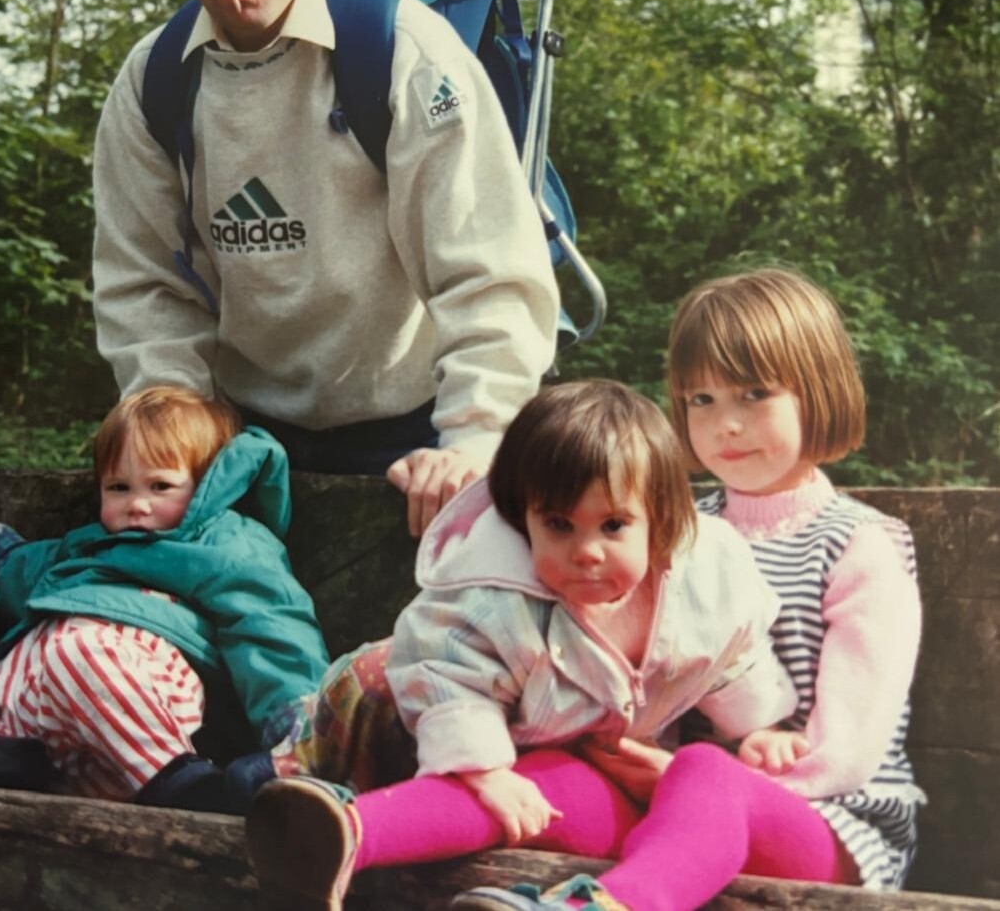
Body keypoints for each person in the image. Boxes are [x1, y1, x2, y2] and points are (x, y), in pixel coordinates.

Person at [91, 0, 559, 537]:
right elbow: (143, 285)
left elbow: (490, 268)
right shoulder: (154, 77)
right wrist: (172, 440)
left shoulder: (403, 52)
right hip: (242, 433)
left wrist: (475, 437)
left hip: (418, 425)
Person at [449, 267, 923, 910]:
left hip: (826, 823)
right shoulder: (669, 522)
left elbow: (849, 751)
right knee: (538, 780)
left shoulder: (859, 545)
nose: (725, 423)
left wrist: (680, 778)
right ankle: (348, 833)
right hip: (667, 803)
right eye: (701, 400)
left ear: (819, 393)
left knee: (706, 774)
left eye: (753, 394)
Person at [244, 379, 801, 909]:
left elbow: (732, 652)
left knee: (546, 788)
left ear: (659, 520)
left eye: (612, 526)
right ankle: (319, 824)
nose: (586, 551)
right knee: (499, 777)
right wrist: (484, 770)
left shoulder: (703, 589)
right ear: (522, 518)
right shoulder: (496, 600)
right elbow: (447, 676)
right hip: (418, 737)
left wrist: (757, 726)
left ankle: (342, 831)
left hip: (588, 766)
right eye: (559, 525)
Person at [0, 385, 329, 813]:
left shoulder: (224, 546)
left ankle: (186, 780)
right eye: (118, 487)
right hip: (51, 718)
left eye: (160, 485)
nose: (137, 504)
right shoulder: (90, 546)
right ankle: (43, 775)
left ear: (205, 484)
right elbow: (32, 571)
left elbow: (270, 627)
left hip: (135, 683)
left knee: (78, 650)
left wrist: (295, 725)